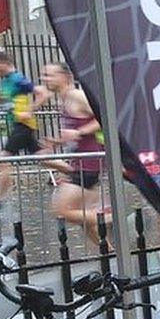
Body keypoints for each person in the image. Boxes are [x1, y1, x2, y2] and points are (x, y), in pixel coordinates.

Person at [39, 63, 108, 243]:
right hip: (79, 162)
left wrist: (79, 132)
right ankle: (108, 255)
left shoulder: (77, 96)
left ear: (65, 76)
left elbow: (105, 117)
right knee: (85, 222)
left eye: (49, 75)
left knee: (63, 211)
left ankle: (112, 219)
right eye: (44, 75)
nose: (45, 79)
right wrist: (57, 141)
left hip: (89, 163)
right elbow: (75, 131)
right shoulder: (65, 99)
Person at [0, 51, 39, 211]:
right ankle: (74, 172)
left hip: (23, 125)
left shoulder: (18, 78)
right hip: (17, 125)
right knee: (45, 158)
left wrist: (30, 110)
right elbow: (9, 98)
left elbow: (41, 93)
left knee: (3, 159)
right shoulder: (5, 81)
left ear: (5, 63)